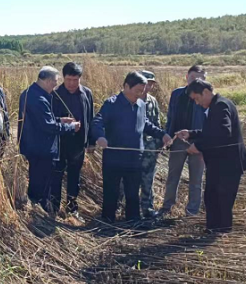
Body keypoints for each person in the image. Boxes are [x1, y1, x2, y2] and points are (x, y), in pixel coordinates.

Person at [91, 72, 172, 223]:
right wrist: (100, 137)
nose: (140, 94)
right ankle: (108, 222)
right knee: (111, 192)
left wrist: (162, 134)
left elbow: (145, 124)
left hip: (135, 158)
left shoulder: (141, 104)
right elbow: (97, 122)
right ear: (126, 86)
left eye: (142, 91)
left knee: (133, 193)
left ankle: (133, 221)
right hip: (114, 158)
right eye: (138, 90)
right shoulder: (112, 104)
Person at [176, 79, 246, 232]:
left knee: (222, 202)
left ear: (205, 92)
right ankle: (212, 231)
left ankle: (219, 236)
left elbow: (223, 133)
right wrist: (191, 134)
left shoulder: (221, 106)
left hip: (227, 165)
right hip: (219, 164)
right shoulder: (217, 105)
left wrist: (199, 146)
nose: (196, 103)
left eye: (197, 98)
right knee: (211, 199)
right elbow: (212, 132)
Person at [18, 66, 81, 216]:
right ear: (46, 80)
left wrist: (60, 120)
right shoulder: (39, 98)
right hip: (42, 150)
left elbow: (42, 120)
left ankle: (37, 213)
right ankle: (41, 218)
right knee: (42, 188)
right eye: (55, 81)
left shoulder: (29, 93)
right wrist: (71, 127)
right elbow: (48, 126)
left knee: (37, 183)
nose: (56, 85)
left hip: (34, 147)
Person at [159, 65, 208, 216]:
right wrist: (168, 137)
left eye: (200, 79)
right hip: (178, 140)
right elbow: (170, 117)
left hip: (198, 143)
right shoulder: (177, 94)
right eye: (193, 78)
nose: (196, 81)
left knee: (196, 179)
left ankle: (192, 211)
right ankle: (166, 208)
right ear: (186, 77)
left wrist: (203, 143)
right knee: (173, 176)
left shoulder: (207, 97)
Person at [50, 62, 94, 220]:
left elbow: (90, 118)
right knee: (56, 176)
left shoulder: (86, 93)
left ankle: (72, 209)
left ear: (80, 78)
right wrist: (64, 123)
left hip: (78, 144)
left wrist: (91, 142)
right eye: (68, 79)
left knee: (75, 177)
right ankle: (53, 209)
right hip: (60, 143)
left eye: (75, 80)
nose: (72, 83)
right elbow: (50, 121)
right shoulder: (55, 94)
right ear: (63, 77)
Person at [139, 70, 162, 218]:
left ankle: (147, 208)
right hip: (133, 147)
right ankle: (122, 207)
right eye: (147, 83)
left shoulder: (152, 101)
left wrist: (159, 143)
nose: (149, 86)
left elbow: (157, 122)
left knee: (148, 179)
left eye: (151, 84)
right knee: (126, 179)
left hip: (150, 147)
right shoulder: (130, 99)